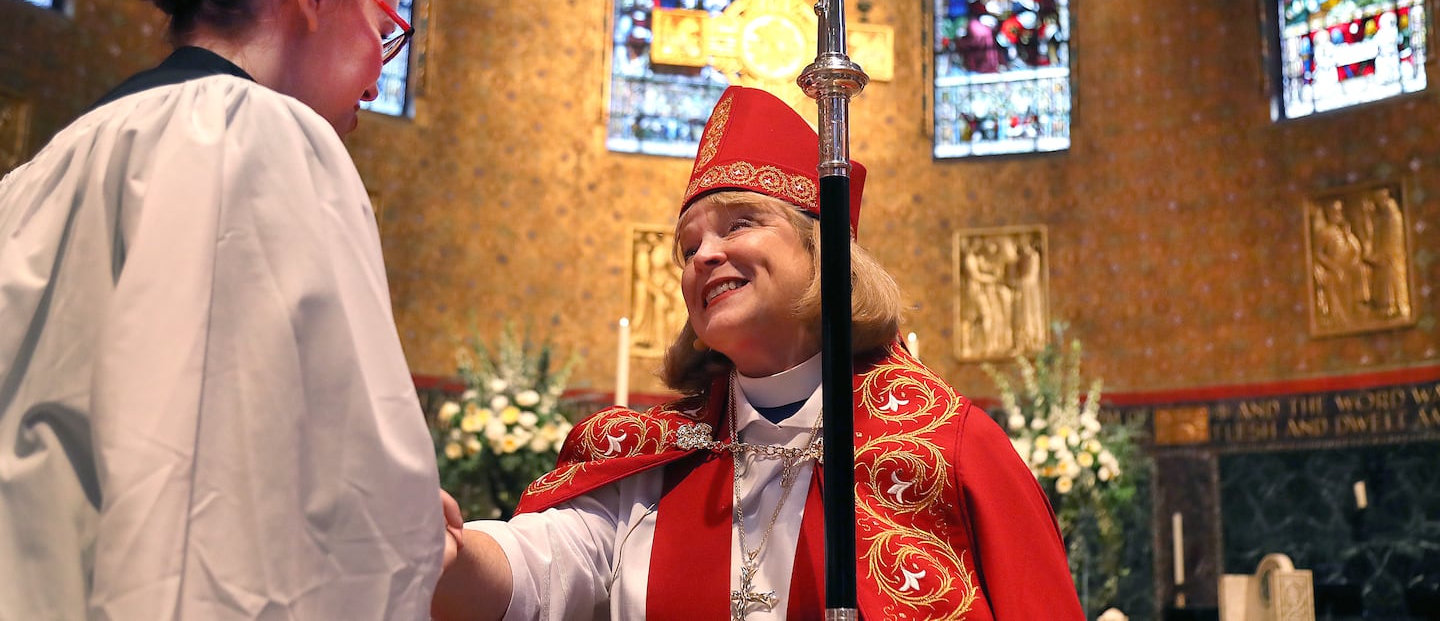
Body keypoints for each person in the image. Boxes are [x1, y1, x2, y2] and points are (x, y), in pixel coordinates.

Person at [0, 0, 459, 619]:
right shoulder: (262, 138)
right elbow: (262, 521)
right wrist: (409, 517)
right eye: (385, 30)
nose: (380, 79)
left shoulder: (38, 172)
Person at [433, 86, 1082, 619]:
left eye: (740, 222)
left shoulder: (949, 450)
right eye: (688, 248)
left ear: (822, 250)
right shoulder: (651, 463)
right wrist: (448, 556)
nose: (704, 256)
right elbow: (537, 569)